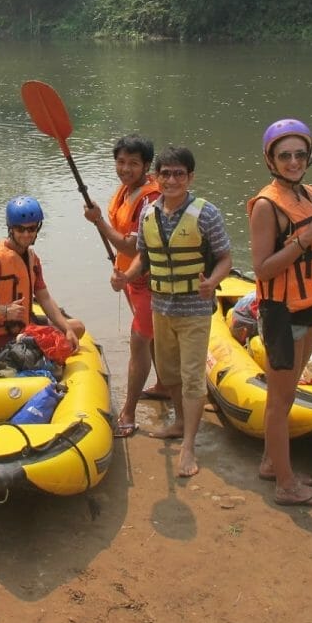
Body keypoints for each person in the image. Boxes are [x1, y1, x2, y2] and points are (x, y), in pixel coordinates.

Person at [112, 146, 232, 478]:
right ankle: (179, 422)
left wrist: (214, 282)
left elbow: (225, 258)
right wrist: (127, 276)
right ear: (157, 177)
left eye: (179, 173)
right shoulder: (148, 213)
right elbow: (143, 256)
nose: (172, 179)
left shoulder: (207, 214)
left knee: (192, 376)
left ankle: (189, 447)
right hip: (160, 305)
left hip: (194, 308)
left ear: (190, 177)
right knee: (170, 372)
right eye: (166, 173)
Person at [248, 118, 312, 506]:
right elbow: (262, 268)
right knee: (279, 401)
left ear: (310, 156)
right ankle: (286, 485)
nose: (293, 162)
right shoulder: (265, 206)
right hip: (281, 314)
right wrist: (302, 241)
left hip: (310, 308)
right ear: (270, 159)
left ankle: (273, 464)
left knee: (290, 394)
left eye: (300, 154)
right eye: (285, 155)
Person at [83, 134, 163, 437]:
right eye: (120, 162)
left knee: (139, 341)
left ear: (145, 166)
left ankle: (128, 413)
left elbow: (132, 247)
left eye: (133, 163)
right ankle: (165, 385)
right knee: (151, 337)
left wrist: (99, 222)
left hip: (148, 280)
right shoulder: (125, 191)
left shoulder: (149, 199)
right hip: (130, 278)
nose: (125, 169)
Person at [0, 196, 85, 355]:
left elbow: (44, 298)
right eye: (20, 229)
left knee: (77, 328)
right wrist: (4, 310)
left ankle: (41, 340)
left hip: (26, 325)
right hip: (2, 336)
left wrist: (66, 329)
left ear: (37, 228)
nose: (26, 234)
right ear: (11, 228)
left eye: (31, 229)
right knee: (48, 343)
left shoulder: (32, 259)